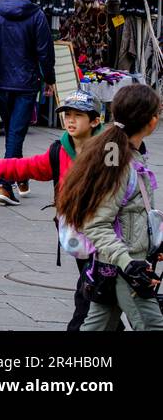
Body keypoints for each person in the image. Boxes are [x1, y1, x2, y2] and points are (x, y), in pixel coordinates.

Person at [0, 91, 108, 330]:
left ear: (95, 120)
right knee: (101, 303)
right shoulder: (59, 151)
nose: (70, 120)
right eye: (67, 114)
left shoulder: (108, 152)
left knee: (87, 303)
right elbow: (23, 166)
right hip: (78, 238)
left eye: (78, 115)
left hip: (106, 241)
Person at [56, 84, 163, 331]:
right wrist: (129, 263)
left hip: (119, 265)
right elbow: (96, 222)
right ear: (151, 121)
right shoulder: (117, 160)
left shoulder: (127, 154)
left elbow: (131, 213)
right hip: (124, 267)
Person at [0, 0, 56, 206]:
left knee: (14, 131)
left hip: (1, 81)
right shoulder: (36, 15)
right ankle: (5, 183)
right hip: (26, 82)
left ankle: (19, 175)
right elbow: (45, 51)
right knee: (15, 133)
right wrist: (50, 79)